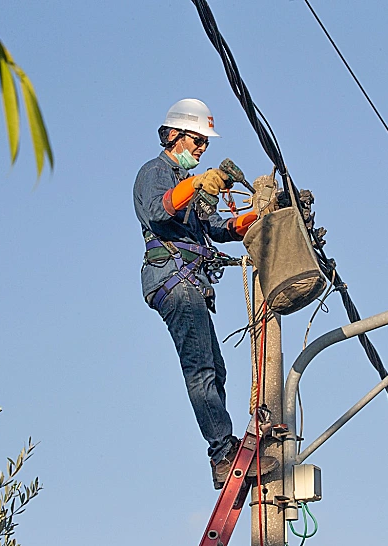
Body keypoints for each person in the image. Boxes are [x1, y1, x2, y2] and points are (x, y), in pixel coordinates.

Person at [133, 98, 276, 489]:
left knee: (216, 370)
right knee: (202, 372)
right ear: (174, 135)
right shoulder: (154, 173)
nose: (201, 149)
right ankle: (222, 454)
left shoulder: (189, 187)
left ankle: (224, 449)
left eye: (205, 144)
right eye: (197, 140)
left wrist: (259, 216)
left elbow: (218, 228)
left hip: (190, 282)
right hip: (172, 279)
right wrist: (197, 183)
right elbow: (160, 211)